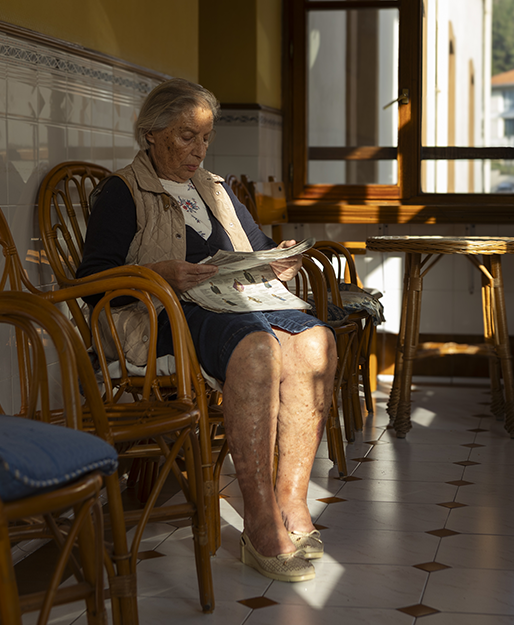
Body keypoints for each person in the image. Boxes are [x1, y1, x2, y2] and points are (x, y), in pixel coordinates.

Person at [76, 78, 336, 583]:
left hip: (237, 304)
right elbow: (91, 281)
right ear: (150, 134)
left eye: (206, 138)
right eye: (186, 137)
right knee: (258, 350)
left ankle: (291, 501)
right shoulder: (121, 192)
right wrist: (160, 276)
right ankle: (260, 522)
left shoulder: (214, 190)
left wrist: (280, 263)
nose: (199, 150)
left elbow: (257, 247)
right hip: (163, 317)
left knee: (315, 342)